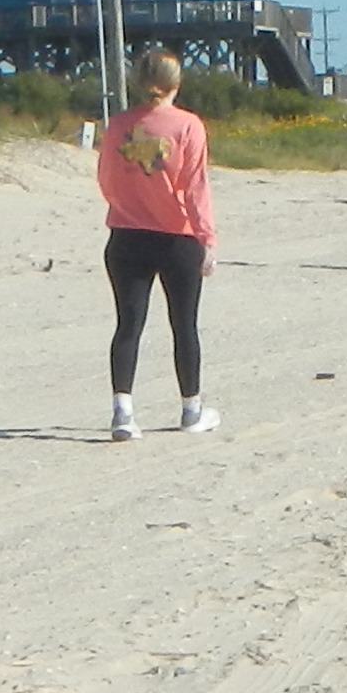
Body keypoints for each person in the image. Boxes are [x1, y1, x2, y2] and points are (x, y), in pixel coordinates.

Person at [97, 51, 218, 435]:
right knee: (184, 326)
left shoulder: (118, 125)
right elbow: (195, 186)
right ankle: (191, 410)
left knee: (128, 324)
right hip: (177, 239)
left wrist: (126, 206)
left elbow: (107, 179)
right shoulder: (188, 125)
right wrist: (207, 237)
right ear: (176, 84)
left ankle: (123, 413)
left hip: (126, 236)